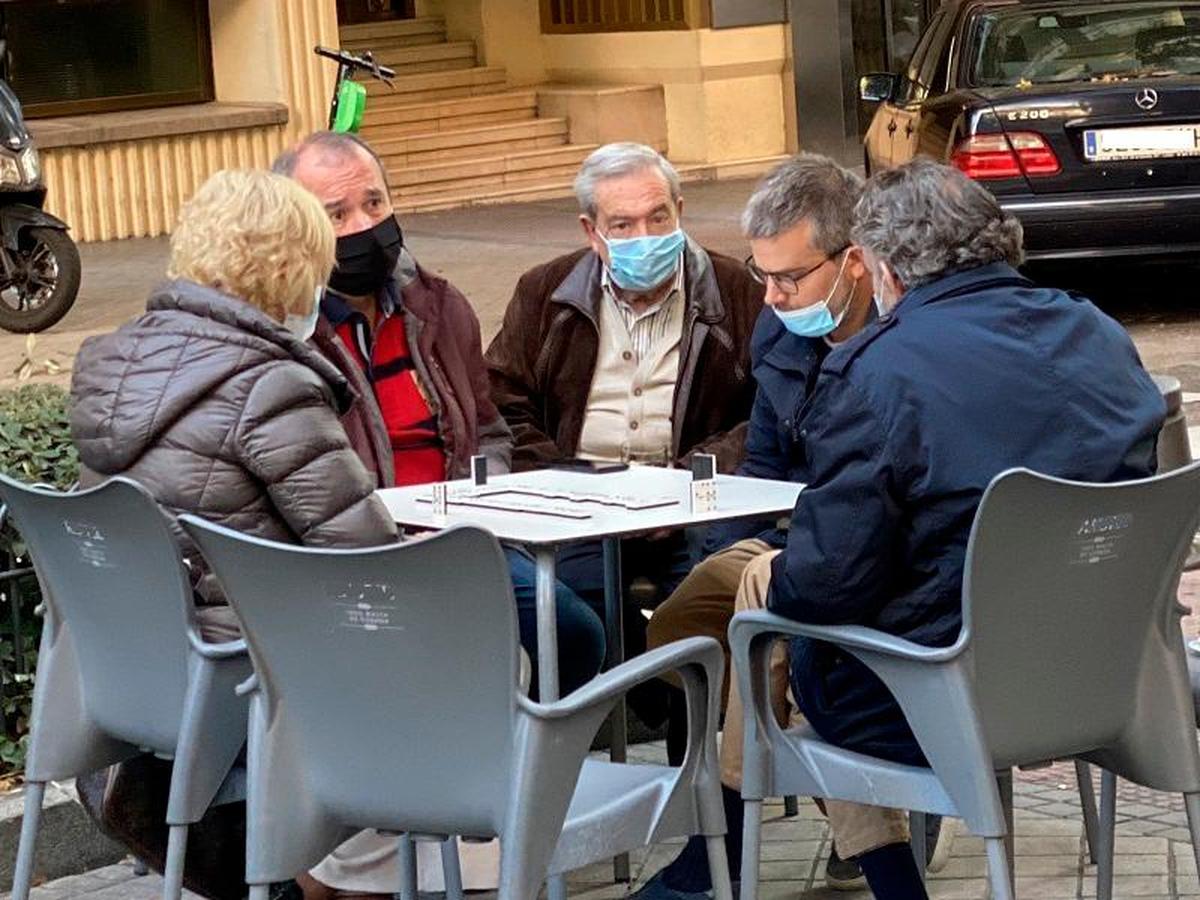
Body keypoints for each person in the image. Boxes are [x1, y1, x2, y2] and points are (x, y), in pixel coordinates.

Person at [722, 159, 1166, 900]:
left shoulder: (876, 370)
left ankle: (759, 846)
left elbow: (825, 585)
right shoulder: (1098, 332)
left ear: (884, 269)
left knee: (773, 604)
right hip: (1103, 677)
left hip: (943, 693)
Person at [273, 132, 604, 899]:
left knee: (574, 633)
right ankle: (416, 842)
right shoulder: (291, 330)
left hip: (463, 539)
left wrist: (484, 500)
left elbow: (485, 427)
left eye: (375, 202)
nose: (364, 225)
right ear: (297, 226)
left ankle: (489, 819)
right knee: (484, 656)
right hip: (362, 554)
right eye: (337, 212)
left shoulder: (438, 303)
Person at [68, 169, 401, 900]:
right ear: (293, 270)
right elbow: (372, 564)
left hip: (139, 675)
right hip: (245, 683)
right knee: (476, 662)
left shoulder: (113, 364)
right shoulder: (267, 383)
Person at [638, 154, 937, 900]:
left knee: (772, 627)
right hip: (790, 533)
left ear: (856, 263)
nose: (769, 297)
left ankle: (724, 850)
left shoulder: (908, 344)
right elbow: (763, 472)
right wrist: (718, 543)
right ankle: (803, 770)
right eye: (760, 275)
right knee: (677, 627)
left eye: (789, 279)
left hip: (875, 555)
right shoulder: (780, 338)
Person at [485, 141, 763, 726]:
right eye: (623, 224)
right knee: (566, 613)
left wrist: (691, 478)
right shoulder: (545, 291)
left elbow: (769, 411)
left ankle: (695, 763)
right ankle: (603, 738)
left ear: (680, 210)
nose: (645, 234)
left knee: (701, 607)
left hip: (690, 505)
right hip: (580, 502)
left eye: (658, 217)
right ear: (592, 231)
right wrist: (565, 481)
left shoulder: (739, 292)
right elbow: (503, 401)